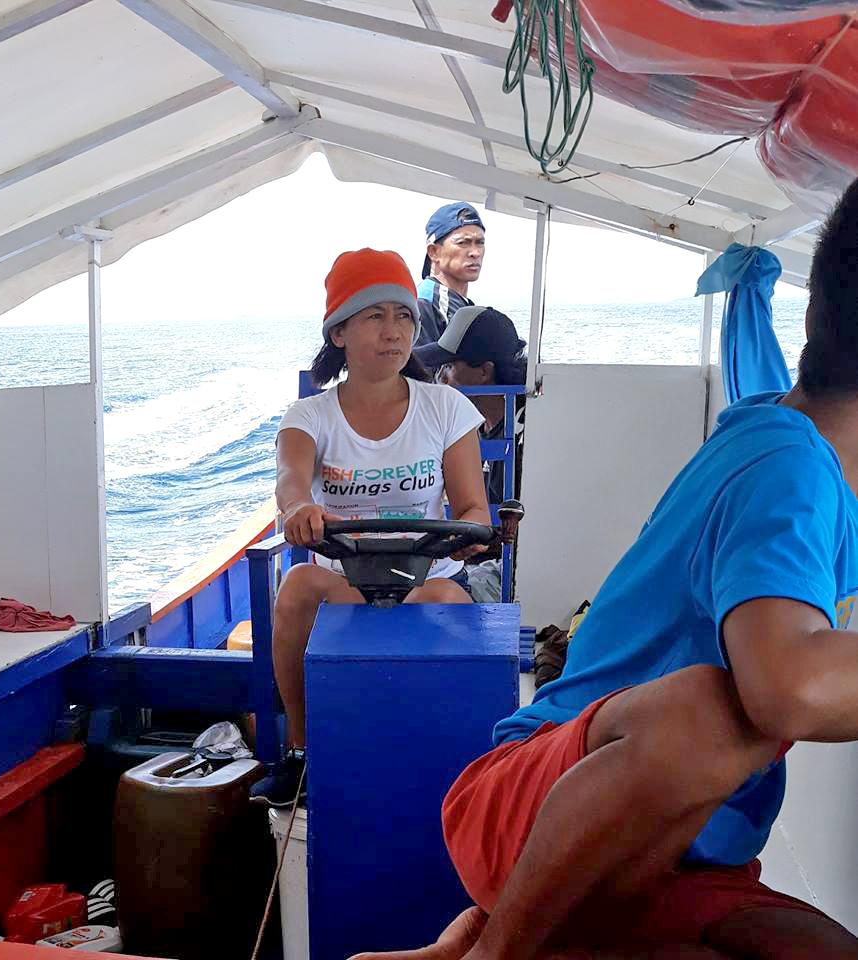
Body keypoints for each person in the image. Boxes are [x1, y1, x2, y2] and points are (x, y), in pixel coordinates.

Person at [352, 182, 858, 958]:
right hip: (534, 796)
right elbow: (787, 688)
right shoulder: (787, 467)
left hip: (682, 853)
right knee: (717, 711)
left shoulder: (792, 451)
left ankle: (480, 937)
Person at [260, 248, 491, 807]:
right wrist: (298, 512)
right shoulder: (309, 416)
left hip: (423, 577)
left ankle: (449, 758)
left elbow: (472, 509)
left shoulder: (446, 407)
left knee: (443, 599)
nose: (394, 332)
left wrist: (467, 534)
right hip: (344, 581)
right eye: (375, 317)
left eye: (404, 316)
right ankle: (302, 750)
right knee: (296, 588)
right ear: (338, 333)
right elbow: (291, 480)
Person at [416, 306, 526, 602]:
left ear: (483, 371)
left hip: (515, 571)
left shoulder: (525, 438)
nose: (440, 379)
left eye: (448, 367)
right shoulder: (481, 426)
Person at [416, 202, 486, 346]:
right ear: (434, 252)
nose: (475, 252)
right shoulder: (425, 303)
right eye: (463, 243)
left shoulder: (458, 303)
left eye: (480, 243)